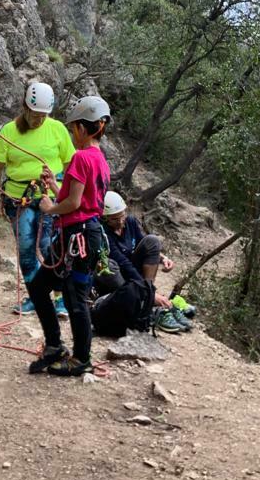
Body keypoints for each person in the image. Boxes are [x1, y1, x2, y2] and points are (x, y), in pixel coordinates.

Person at [26, 95, 111, 377]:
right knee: (39, 286)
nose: (73, 134)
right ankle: (54, 346)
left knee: (75, 298)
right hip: (83, 235)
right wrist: (54, 185)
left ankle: (81, 358)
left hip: (77, 237)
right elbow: (79, 197)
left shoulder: (80, 157)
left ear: (83, 128)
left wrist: (50, 208)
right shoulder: (99, 159)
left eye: (74, 128)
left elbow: (73, 203)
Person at [0, 80, 74, 317]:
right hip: (19, 199)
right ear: (25, 107)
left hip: (49, 197)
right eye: (35, 115)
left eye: (43, 116)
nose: (39, 120)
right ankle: (36, 296)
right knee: (27, 248)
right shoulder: (9, 131)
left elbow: (70, 163)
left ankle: (60, 297)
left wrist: (64, 193)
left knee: (49, 246)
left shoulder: (57, 129)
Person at [98, 192, 190, 334]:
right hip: (118, 277)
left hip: (135, 276)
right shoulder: (102, 233)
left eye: (122, 216)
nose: (121, 221)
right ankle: (147, 301)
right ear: (105, 219)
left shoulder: (130, 222)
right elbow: (124, 264)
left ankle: (147, 296)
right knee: (109, 265)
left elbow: (143, 242)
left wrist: (163, 258)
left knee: (152, 241)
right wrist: (150, 294)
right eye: (115, 219)